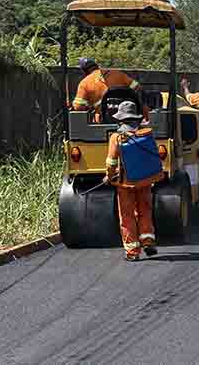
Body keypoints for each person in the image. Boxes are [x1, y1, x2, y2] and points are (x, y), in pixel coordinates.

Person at [104, 101, 165, 261]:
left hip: (125, 184)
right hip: (145, 181)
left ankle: (132, 252)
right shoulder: (145, 135)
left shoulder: (116, 137)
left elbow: (111, 163)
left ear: (120, 120)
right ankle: (148, 241)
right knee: (145, 211)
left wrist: (109, 177)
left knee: (127, 216)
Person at [72, 57, 142, 123]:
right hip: (129, 116)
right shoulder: (118, 74)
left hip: (105, 119)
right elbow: (137, 88)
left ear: (84, 71)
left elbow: (78, 107)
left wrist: (89, 106)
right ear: (97, 66)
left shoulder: (85, 83)